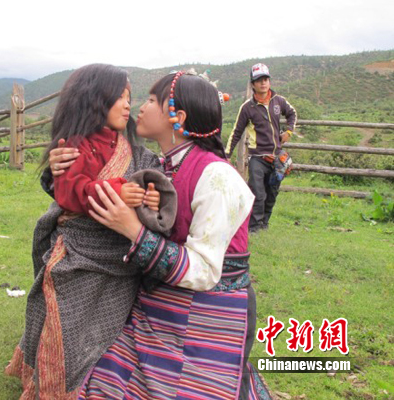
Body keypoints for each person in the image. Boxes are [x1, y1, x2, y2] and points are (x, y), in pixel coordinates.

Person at [48, 71, 273, 399]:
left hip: (211, 310)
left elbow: (205, 271)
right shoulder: (159, 163)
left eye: (152, 100)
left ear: (177, 117)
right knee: (105, 384)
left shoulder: (218, 177)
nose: (139, 106)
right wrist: (59, 167)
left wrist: (133, 229)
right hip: (159, 304)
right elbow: (93, 179)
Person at [5, 64, 171, 400]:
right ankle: (56, 384)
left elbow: (147, 188)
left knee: (105, 334)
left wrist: (152, 198)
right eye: (120, 97)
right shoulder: (74, 147)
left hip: (121, 260)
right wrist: (117, 190)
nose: (129, 104)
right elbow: (70, 191)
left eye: (130, 97)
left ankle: (98, 383)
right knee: (66, 324)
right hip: (81, 251)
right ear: (96, 100)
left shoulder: (136, 151)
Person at [226, 63, 297, 233]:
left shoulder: (279, 101)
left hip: (277, 157)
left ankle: (265, 223)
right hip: (257, 157)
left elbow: (292, 113)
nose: (263, 83)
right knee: (257, 192)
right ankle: (254, 227)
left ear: (269, 81)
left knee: (272, 192)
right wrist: (226, 154)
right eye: (259, 80)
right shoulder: (247, 107)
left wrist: (289, 131)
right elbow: (236, 131)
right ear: (253, 84)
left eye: (265, 79)